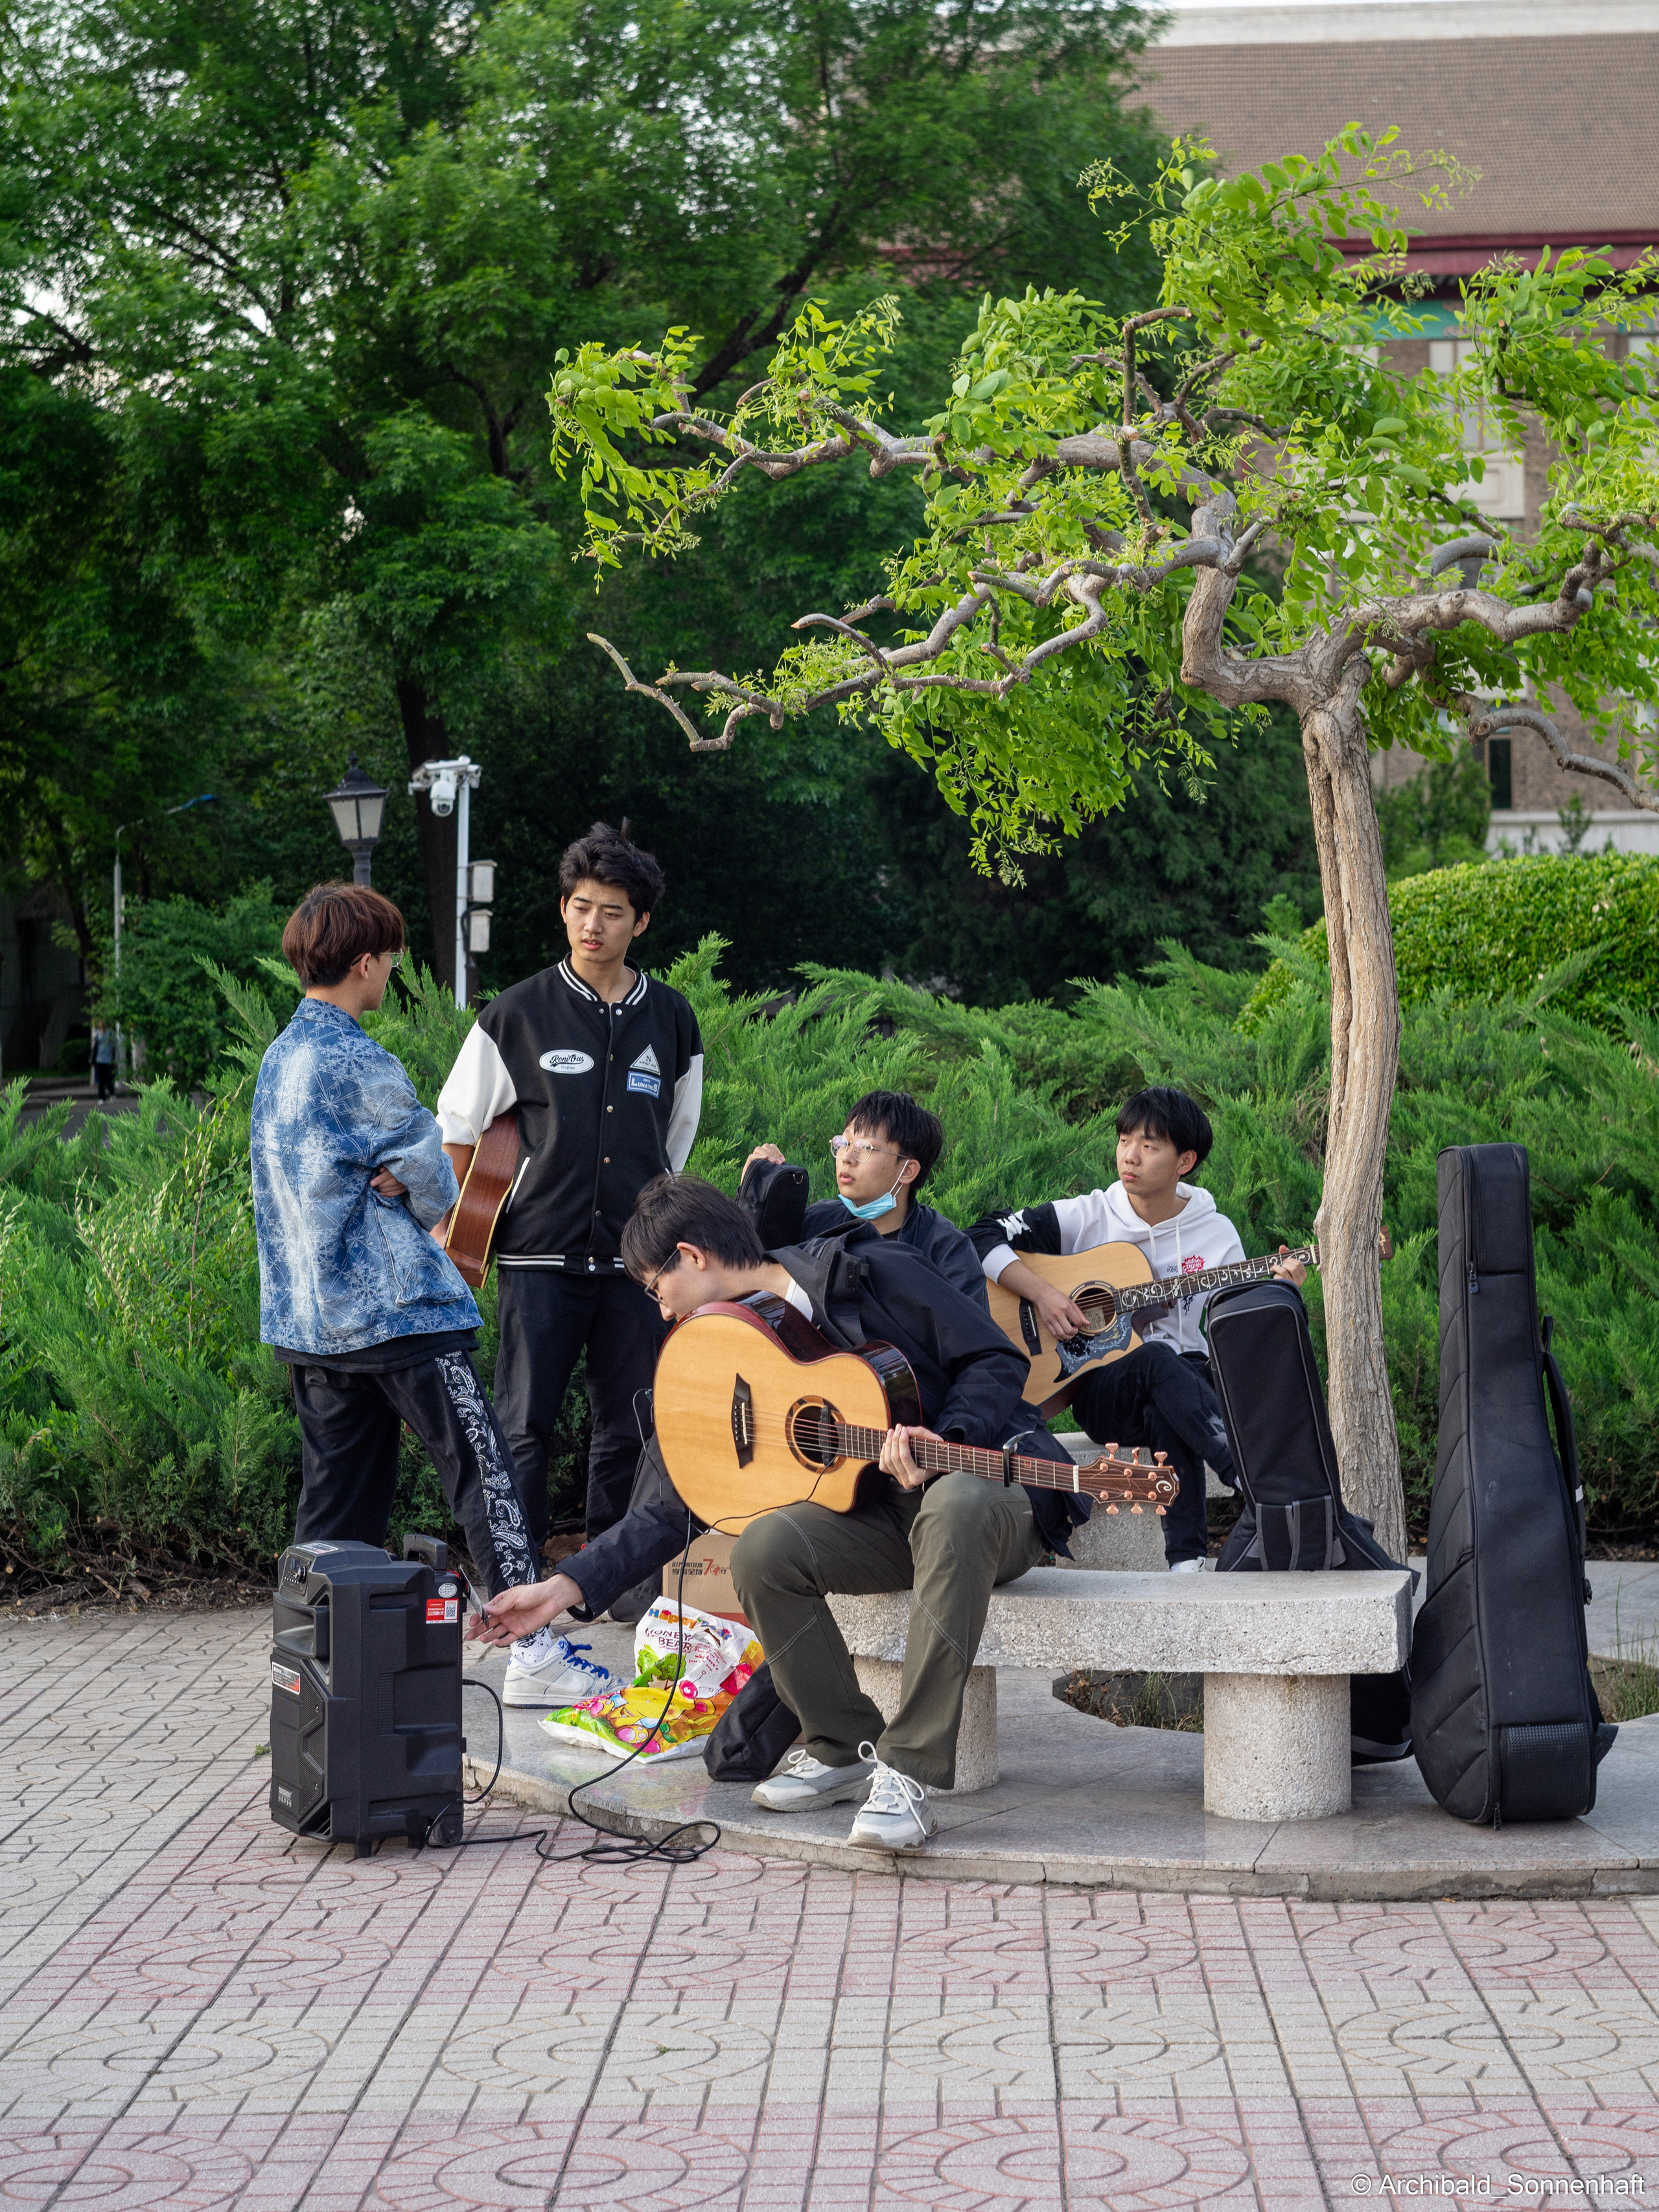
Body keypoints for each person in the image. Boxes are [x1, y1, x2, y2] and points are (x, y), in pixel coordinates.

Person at [470, 1173, 1080, 1853]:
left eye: (655, 1287)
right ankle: (844, 1746)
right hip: (885, 1520)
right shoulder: (718, 1353)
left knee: (955, 1502)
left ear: (692, 1256)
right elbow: (678, 1502)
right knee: (762, 1548)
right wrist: (562, 1589)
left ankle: (907, 1771)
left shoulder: (872, 1271)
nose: (661, 1310)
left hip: (992, 1493)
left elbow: (994, 1357)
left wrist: (952, 1436)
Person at [249, 883, 555, 1696]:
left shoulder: (279, 1057)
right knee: (481, 1473)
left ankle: (313, 1665)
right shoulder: (357, 1056)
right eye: (387, 957)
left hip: (310, 1319)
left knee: (335, 1506)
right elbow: (430, 1162)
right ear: (362, 963)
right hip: (399, 1313)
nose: (391, 969)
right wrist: (404, 1181)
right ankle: (534, 1651)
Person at [434, 823, 702, 1676]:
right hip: (537, 1260)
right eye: (581, 908)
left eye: (612, 913)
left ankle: (619, 1590)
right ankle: (520, 1590)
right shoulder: (514, 1012)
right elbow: (457, 1127)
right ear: (564, 909)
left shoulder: (672, 1018)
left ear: (641, 923)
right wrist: (459, 1228)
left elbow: (680, 1135)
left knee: (629, 1426)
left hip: (635, 1267)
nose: (593, 925)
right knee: (522, 1429)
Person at [968, 1086, 1305, 1573]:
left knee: (1172, 1381)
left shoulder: (1217, 1234)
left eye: (1149, 1145)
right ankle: (1251, 1480)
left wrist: (1281, 1291)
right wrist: (1045, 1294)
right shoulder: (1089, 1215)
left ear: (1184, 1160)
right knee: (1156, 1362)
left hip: (1182, 1386)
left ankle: (1186, 1562)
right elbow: (981, 1235)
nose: (1130, 1154)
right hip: (1101, 1389)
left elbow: (1239, 1335)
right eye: (1126, 1138)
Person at [741, 1089, 986, 1307]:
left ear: (908, 1171)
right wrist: (752, 1193)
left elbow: (978, 1350)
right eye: (844, 1143)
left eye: (865, 1148)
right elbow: (745, 1276)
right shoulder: (818, 1222)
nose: (847, 1157)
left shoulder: (947, 1252)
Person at [90, 1020, 117, 1102]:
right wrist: (93, 1061)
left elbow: (114, 1048)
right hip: (99, 1060)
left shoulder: (111, 1033)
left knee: (109, 1079)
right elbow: (94, 1048)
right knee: (101, 1080)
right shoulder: (97, 1034)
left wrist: (115, 1060)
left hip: (108, 1060)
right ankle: (102, 1098)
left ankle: (112, 1094)